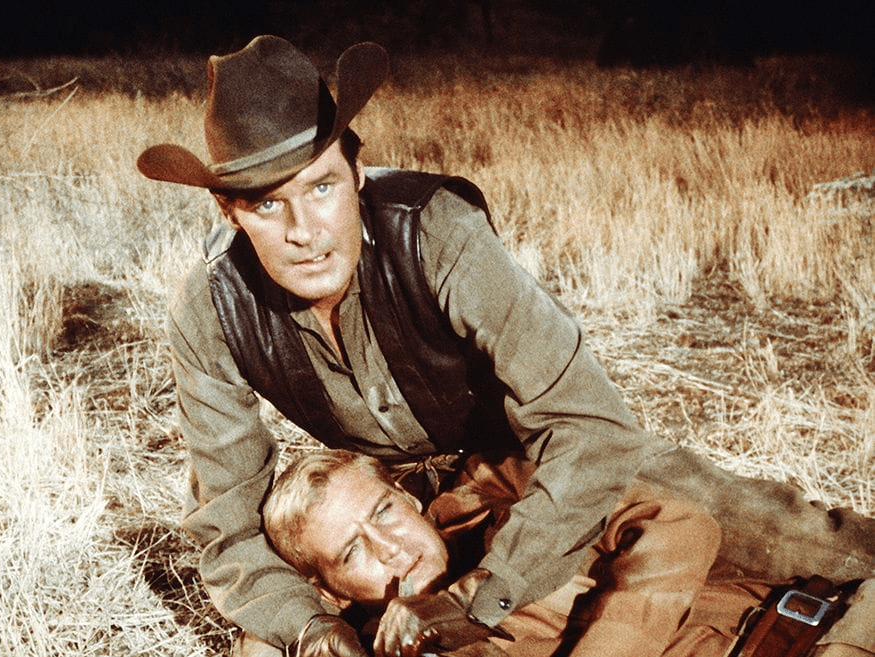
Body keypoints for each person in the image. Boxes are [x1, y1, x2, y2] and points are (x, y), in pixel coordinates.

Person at [136, 35, 875, 656]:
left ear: (356, 173)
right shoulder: (210, 309)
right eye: (268, 203)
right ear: (228, 211)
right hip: (399, 499)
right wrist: (308, 623)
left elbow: (589, 426)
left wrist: (483, 596)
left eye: (322, 188)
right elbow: (228, 526)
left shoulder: (435, 232)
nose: (304, 231)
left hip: (538, 450)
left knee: (793, 542)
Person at [262, 448, 875, 657]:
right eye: (352, 553)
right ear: (329, 592)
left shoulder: (497, 492)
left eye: (383, 513)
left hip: (828, 628)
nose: (391, 548)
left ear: (407, 498)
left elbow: (676, 524)